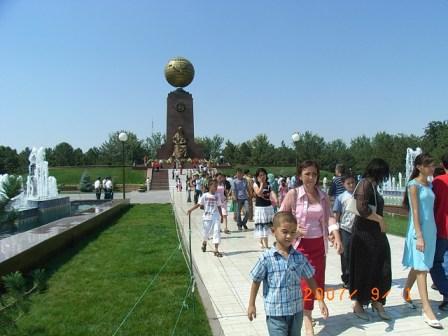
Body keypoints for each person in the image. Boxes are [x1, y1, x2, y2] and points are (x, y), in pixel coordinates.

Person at [280, 160, 342, 335]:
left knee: (317, 281)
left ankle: (307, 312)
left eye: (314, 174)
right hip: (300, 246)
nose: (311, 177)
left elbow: (330, 217)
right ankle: (307, 320)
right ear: (300, 175)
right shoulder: (293, 194)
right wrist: (293, 230)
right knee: (305, 283)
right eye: (307, 174)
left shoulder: (322, 195)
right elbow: (281, 216)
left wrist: (336, 236)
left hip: (319, 245)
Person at [247, 211, 329, 336]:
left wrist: (320, 299)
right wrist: (251, 304)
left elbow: (310, 278)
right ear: (273, 231)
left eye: (292, 232)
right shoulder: (266, 258)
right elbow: (256, 280)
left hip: (296, 312)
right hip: (276, 314)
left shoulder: (299, 257)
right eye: (285, 232)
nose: (289, 236)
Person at [401, 153, 442, 329]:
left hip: (431, 230)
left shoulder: (430, 184)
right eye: (428, 165)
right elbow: (415, 212)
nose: (432, 168)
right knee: (422, 269)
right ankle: (426, 309)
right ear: (419, 167)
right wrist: (418, 235)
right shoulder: (413, 185)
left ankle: (406, 292)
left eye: (433, 165)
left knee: (420, 265)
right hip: (418, 231)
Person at [349, 158, 391, 321]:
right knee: (362, 269)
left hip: (375, 235)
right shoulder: (365, 184)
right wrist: (379, 219)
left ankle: (377, 301)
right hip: (363, 235)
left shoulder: (373, 185)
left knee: (381, 267)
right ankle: (358, 303)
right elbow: (362, 208)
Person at [187, 179, 224, 257]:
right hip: (207, 217)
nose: (216, 188)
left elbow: (219, 206)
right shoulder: (205, 195)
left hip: (215, 216)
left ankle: (216, 249)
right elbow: (199, 204)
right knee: (206, 233)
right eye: (214, 186)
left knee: (216, 231)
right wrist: (191, 210)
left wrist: (221, 216)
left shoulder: (217, 196)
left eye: (217, 186)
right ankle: (204, 242)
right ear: (210, 186)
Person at [431, 152, 448, 312]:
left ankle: (447, 294)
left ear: (443, 165)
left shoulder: (437, 182)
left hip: (442, 229)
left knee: (435, 263)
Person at [332, 174, 356, 289]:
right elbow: (337, 214)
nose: (351, 185)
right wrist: (335, 229)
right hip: (345, 229)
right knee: (345, 254)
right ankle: (346, 278)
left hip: (358, 229)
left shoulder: (359, 195)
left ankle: (356, 277)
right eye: (348, 183)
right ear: (343, 184)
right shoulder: (341, 197)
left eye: (353, 182)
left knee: (357, 254)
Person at [253, 168, 277, 249]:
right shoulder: (256, 184)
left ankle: (262, 241)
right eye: (260, 175)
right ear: (257, 177)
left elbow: (272, 192)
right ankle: (266, 245)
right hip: (260, 208)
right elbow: (258, 194)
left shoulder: (269, 184)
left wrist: (276, 199)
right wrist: (262, 184)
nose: (262, 176)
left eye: (264, 175)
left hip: (268, 207)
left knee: (267, 226)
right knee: (262, 226)